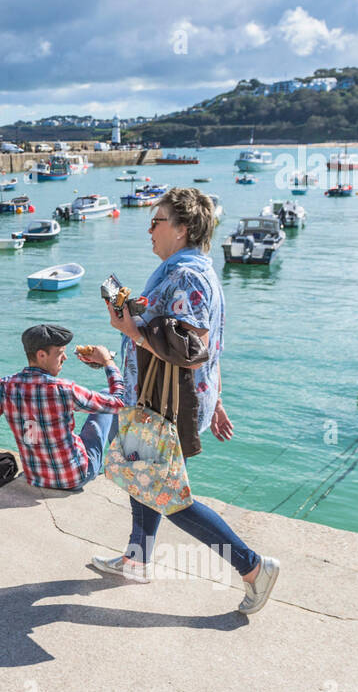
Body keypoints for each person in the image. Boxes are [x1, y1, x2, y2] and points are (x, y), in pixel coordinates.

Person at [93, 187, 279, 615]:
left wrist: (131, 330)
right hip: (165, 398)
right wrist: (216, 399)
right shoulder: (189, 271)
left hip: (168, 404)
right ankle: (136, 560)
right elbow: (211, 344)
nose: (149, 230)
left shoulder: (187, 276)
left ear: (183, 229)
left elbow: (191, 347)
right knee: (145, 476)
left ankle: (254, 568)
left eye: (156, 221)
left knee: (169, 496)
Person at [0, 324, 125, 491]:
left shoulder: (4, 386)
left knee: (39, 429)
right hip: (75, 478)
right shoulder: (65, 389)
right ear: (42, 355)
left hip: (35, 478)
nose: (65, 357)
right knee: (105, 395)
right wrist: (107, 361)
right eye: (60, 353)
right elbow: (118, 403)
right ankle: (126, 463)